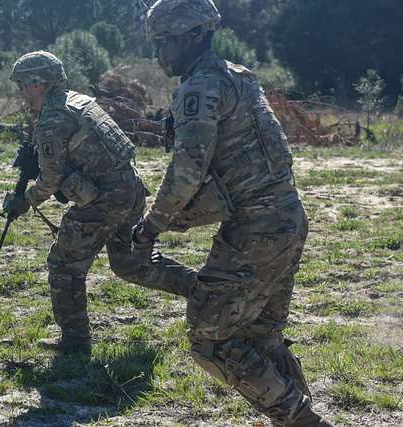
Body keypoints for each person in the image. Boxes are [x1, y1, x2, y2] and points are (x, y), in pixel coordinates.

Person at [131, 1, 334, 426]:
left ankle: (301, 420)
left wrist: (152, 226)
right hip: (287, 217)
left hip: (255, 230)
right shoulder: (239, 77)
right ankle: (298, 415)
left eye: (162, 42)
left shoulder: (199, 89)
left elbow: (187, 171)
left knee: (209, 337)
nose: (158, 55)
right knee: (261, 334)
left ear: (189, 37)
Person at [3, 51, 196, 354]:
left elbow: (51, 180)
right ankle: (203, 290)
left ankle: (75, 342)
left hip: (105, 200)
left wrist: (25, 201)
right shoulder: (80, 102)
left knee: (64, 264)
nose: (22, 93)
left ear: (37, 84)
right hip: (130, 189)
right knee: (131, 264)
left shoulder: (52, 119)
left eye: (23, 85)